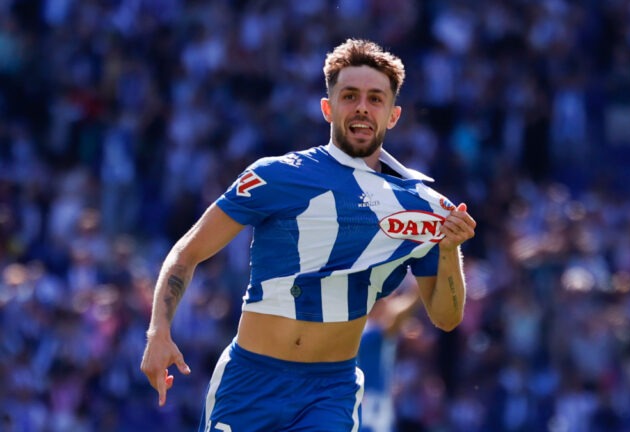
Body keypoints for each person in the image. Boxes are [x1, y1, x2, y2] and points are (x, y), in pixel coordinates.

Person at [140, 38, 476, 432]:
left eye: (375, 98)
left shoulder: (423, 206)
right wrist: (158, 331)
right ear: (327, 107)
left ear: (394, 115)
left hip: (329, 394)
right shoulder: (277, 175)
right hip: (251, 381)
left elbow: (446, 317)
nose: (363, 108)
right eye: (350, 96)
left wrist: (450, 249)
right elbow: (187, 251)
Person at [358, 277, 420, 432]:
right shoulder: (369, 330)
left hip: (376, 402)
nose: (391, 302)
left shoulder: (365, 329)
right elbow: (397, 318)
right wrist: (418, 290)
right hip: (370, 403)